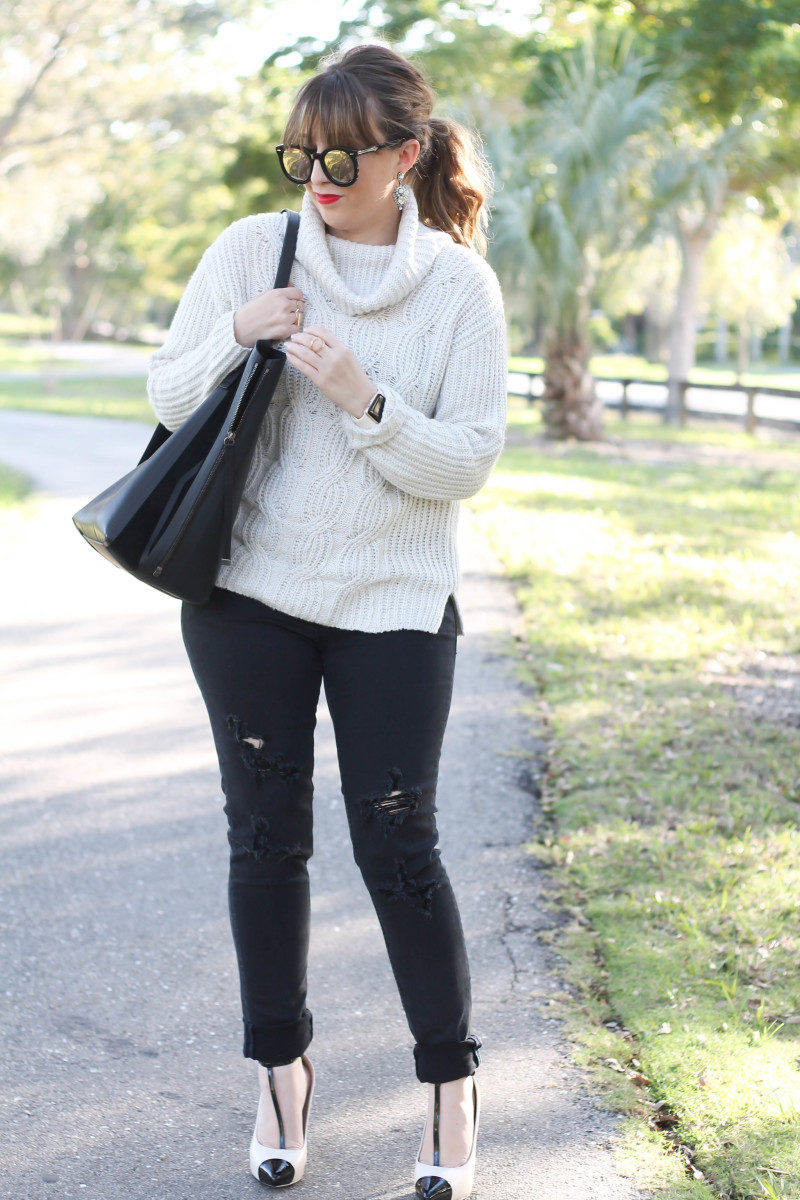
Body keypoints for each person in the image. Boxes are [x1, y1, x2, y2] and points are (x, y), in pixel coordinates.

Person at [145, 39, 507, 1199]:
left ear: (404, 156)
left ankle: (449, 1090)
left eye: (344, 155)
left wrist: (364, 400)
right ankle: (279, 1070)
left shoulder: (456, 287)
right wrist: (237, 330)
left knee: (398, 845)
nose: (319, 172)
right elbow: (166, 391)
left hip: (394, 604)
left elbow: (465, 464)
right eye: (303, 149)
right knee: (265, 840)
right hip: (249, 591)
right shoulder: (255, 247)